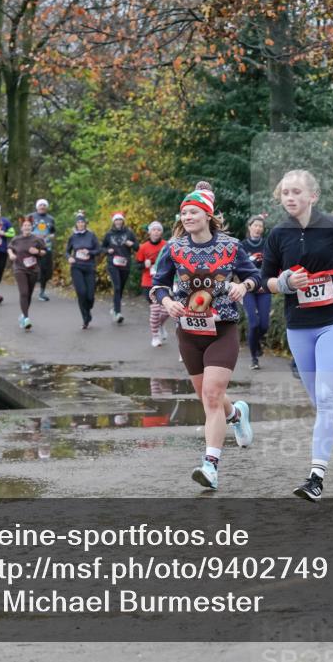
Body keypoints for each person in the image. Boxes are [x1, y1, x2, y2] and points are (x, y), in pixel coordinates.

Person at [261, 169, 333, 502]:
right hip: (299, 325)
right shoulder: (278, 234)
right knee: (320, 400)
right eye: (285, 193)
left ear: (313, 196)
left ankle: (316, 478)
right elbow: (263, 280)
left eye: (297, 192)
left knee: (325, 396)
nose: (290, 198)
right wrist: (283, 283)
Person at [149, 186, 258, 490]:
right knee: (209, 397)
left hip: (222, 330)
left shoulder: (232, 246)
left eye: (193, 212)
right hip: (189, 331)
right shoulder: (173, 248)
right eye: (183, 213)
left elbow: (255, 274)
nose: (187, 217)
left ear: (208, 215)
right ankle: (236, 413)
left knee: (211, 396)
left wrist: (244, 286)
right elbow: (157, 285)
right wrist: (167, 301)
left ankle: (210, 466)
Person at [240, 214, 272, 370]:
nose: (258, 228)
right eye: (255, 225)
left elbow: (273, 264)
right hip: (248, 288)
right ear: (249, 227)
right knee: (253, 324)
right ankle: (254, 358)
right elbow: (237, 267)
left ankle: (255, 342)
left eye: (261, 226)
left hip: (263, 287)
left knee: (264, 325)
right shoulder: (242, 246)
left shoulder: (267, 244)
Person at [7, 216, 47, 331]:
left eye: (29, 225)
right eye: (25, 225)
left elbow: (45, 252)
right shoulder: (16, 239)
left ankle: (23, 316)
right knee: (23, 293)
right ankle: (26, 318)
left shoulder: (37, 239)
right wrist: (11, 254)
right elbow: (9, 247)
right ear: (21, 228)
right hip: (19, 268)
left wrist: (37, 252)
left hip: (33, 270)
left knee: (28, 294)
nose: (27, 227)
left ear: (32, 227)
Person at [135, 220, 169, 347]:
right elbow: (137, 265)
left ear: (161, 232)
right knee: (155, 310)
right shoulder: (143, 247)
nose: (156, 232)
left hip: (165, 283)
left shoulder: (167, 245)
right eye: (153, 230)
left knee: (166, 311)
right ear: (149, 232)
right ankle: (155, 337)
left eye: (158, 230)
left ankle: (159, 325)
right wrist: (144, 264)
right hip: (148, 283)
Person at [65, 212, 100, 329]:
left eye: (82, 222)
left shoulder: (91, 235)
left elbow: (98, 250)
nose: (80, 224)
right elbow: (67, 251)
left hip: (89, 267)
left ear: (85, 223)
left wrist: (89, 252)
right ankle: (85, 318)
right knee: (81, 293)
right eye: (78, 222)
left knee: (90, 296)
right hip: (77, 267)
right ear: (76, 224)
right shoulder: (73, 237)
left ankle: (88, 309)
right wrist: (69, 257)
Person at [102, 212, 138, 323]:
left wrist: (131, 244)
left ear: (123, 221)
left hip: (125, 264)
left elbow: (137, 247)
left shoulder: (129, 233)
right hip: (112, 264)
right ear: (113, 222)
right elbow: (101, 248)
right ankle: (118, 313)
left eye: (120, 220)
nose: (118, 222)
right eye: (116, 220)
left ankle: (115, 308)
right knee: (117, 287)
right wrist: (108, 250)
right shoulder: (109, 234)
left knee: (120, 288)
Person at [28, 199, 57, 301]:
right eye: (40, 205)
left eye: (44, 205)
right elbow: (24, 230)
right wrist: (34, 235)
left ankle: (42, 292)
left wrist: (48, 236)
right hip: (32, 247)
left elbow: (53, 233)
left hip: (46, 247)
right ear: (37, 207)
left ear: (47, 207)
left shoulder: (51, 219)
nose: (42, 207)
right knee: (31, 269)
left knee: (46, 271)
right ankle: (28, 289)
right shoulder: (30, 217)